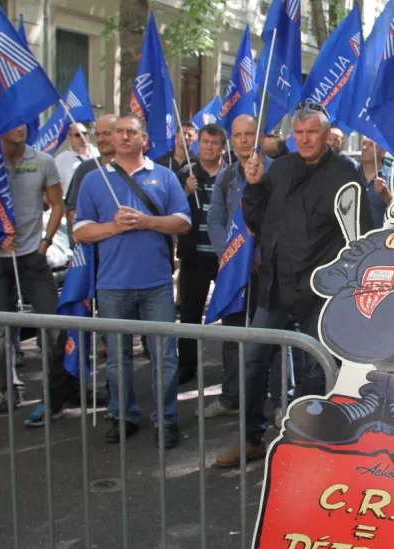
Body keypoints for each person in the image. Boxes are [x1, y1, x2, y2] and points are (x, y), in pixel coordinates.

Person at [211, 103, 370, 467]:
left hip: (319, 293)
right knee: (253, 362)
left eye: (311, 132)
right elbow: (258, 220)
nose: (304, 139)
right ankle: (250, 438)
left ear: (326, 135)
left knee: (316, 372)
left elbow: (359, 234)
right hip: (274, 287)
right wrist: (252, 188)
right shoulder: (280, 168)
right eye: (298, 133)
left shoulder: (346, 173)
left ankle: (311, 445)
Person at [74, 113, 191, 448]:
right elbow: (80, 231)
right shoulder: (93, 180)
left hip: (155, 283)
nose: (124, 137)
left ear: (144, 139)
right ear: (110, 138)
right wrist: (115, 227)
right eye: (118, 132)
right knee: (117, 357)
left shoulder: (165, 177)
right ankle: (123, 416)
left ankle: (166, 419)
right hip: (111, 284)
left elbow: (182, 222)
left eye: (131, 132)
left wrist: (145, 222)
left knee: (164, 356)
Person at [0, 126, 69, 418]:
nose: (20, 128)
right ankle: (9, 388)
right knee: (1, 329)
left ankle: (54, 392)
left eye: (23, 123)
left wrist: (45, 242)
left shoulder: (43, 161)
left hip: (32, 256)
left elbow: (57, 205)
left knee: (54, 324)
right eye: (12, 123)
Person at [203, 114, 274, 416]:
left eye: (249, 134)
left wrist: (259, 258)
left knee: (269, 335)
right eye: (238, 136)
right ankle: (231, 396)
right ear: (230, 141)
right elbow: (215, 219)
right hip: (233, 269)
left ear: (259, 137)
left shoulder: (278, 172)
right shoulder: (226, 176)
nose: (244, 141)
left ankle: (274, 400)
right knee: (232, 337)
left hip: (268, 269)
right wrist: (229, 254)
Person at [176, 123, 226, 387]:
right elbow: (169, 210)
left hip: (224, 257)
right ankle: (186, 366)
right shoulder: (185, 174)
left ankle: (232, 367)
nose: (209, 147)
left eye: (215, 143)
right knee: (190, 314)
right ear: (198, 144)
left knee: (231, 312)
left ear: (222, 147)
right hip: (194, 256)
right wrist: (185, 192)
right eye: (205, 142)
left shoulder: (230, 175)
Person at [65, 114, 117, 227]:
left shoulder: (133, 169)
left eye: (106, 134)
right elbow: (72, 210)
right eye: (97, 134)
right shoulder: (85, 169)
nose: (101, 139)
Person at [357, 136, 392, 229]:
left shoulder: (391, 176)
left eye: (371, 145)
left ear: (383, 152)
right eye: (363, 144)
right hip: (353, 240)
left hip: (380, 239)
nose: (364, 148)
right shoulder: (351, 174)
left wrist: (386, 195)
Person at [55, 121, 97, 197]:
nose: (82, 137)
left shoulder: (98, 154)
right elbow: (57, 188)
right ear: (69, 138)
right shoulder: (61, 159)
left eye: (85, 133)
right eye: (78, 135)